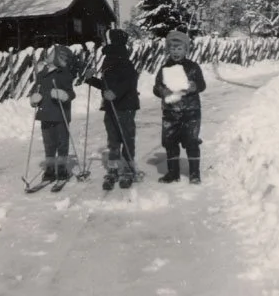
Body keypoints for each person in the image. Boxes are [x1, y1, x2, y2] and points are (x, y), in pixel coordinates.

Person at [84, 29, 140, 190]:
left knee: (127, 137)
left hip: (126, 106)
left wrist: (115, 93)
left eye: (105, 39)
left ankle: (128, 169)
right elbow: (106, 85)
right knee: (113, 139)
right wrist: (91, 79)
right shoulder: (109, 59)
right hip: (110, 106)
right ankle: (114, 168)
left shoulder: (122, 58)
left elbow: (130, 81)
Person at [153, 30, 206, 184]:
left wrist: (194, 86)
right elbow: (156, 87)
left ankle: (195, 173)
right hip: (170, 112)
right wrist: (162, 90)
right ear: (168, 50)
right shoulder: (164, 68)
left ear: (185, 50)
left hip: (191, 111)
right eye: (173, 48)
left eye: (179, 48)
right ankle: (173, 173)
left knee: (192, 141)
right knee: (170, 142)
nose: (176, 52)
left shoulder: (193, 67)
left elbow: (202, 85)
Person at [29, 44, 76, 182]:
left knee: (62, 143)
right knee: (48, 144)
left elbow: (71, 93)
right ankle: (49, 170)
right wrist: (34, 99)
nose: (48, 55)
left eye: (52, 53)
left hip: (61, 114)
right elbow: (36, 90)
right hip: (45, 114)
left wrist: (64, 95)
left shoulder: (64, 73)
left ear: (59, 57)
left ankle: (61, 169)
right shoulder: (41, 74)